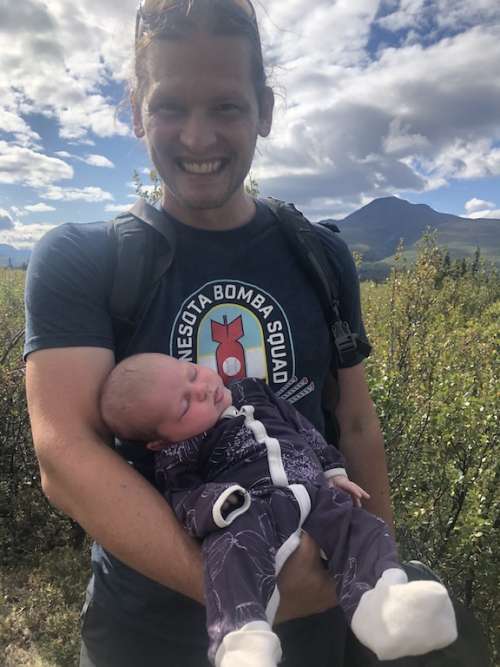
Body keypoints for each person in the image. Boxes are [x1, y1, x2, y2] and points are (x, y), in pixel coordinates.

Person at [24, 0, 400, 665]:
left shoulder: (321, 255)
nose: (197, 138)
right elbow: (65, 458)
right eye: (170, 106)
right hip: (142, 640)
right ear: (135, 107)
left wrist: (374, 583)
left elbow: (358, 423)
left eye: (226, 107)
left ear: (266, 108)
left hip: (313, 638)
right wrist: (248, 598)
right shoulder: (81, 259)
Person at [99, 352, 457, 666]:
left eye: (192, 374)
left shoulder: (253, 390)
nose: (202, 389)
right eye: (184, 406)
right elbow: (182, 496)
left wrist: (333, 470)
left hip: (313, 491)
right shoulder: (179, 452)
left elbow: (302, 427)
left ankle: (385, 605)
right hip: (252, 506)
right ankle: (242, 641)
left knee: (359, 527)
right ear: (162, 439)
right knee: (230, 556)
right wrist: (219, 505)